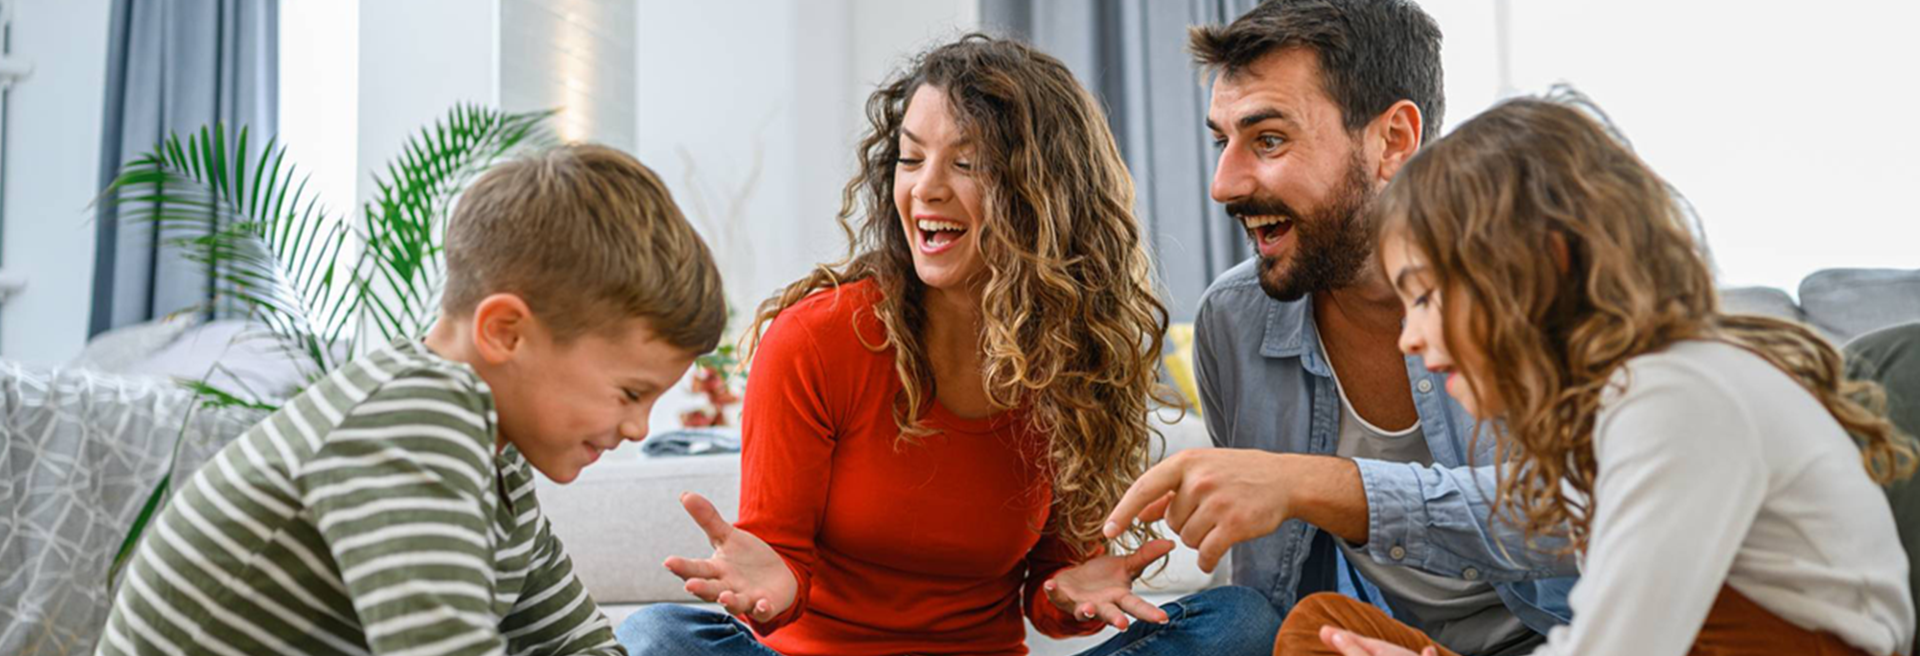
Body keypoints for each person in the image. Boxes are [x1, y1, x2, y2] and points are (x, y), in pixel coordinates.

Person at [616, 34, 1279, 656]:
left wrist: (1071, 595)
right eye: (911, 159)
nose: (926, 188)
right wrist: (774, 586)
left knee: (1239, 620)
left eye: (966, 164)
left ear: (1045, 195)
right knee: (658, 633)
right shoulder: (816, 339)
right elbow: (777, 562)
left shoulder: (1072, 361)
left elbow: (1050, 590)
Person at [1298, 95, 1916, 656]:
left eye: (1426, 296)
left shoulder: (1676, 396)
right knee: (1319, 626)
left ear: (1543, 268)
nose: (1408, 337)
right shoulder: (1614, 410)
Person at [95, 144, 728, 655]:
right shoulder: (412, 418)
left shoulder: (498, 452)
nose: (640, 428)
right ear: (505, 332)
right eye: (630, 393)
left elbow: (573, 641)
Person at [1103, 1, 1573, 654]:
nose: (1223, 185)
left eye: (1269, 139)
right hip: (1380, 642)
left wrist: (1308, 483)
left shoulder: (1541, 286)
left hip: (1580, 639)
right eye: (1222, 141)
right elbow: (1271, 592)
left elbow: (1579, 511)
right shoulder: (1233, 321)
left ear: (1393, 140)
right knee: (1238, 620)